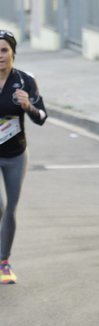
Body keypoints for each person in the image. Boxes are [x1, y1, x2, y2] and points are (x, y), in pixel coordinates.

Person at [0, 30, 47, 284]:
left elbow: (42, 117)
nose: (0, 55)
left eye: (4, 50)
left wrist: (28, 106)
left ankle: (3, 262)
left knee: (10, 209)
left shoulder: (25, 80)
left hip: (16, 155)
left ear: (13, 53)